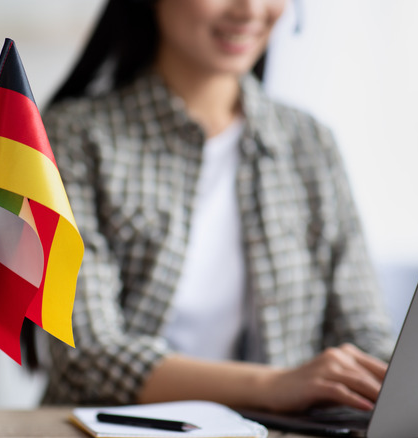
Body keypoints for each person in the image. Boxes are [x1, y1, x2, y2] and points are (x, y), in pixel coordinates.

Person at [37, 0, 396, 413]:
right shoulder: (74, 138)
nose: (250, 9)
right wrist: (276, 385)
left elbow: (364, 331)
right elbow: (87, 354)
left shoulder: (310, 143)